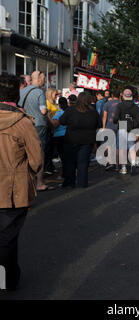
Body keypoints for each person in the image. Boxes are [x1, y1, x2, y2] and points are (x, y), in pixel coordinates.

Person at [0, 74, 43, 290]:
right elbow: (36, 160)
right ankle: (6, 280)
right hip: (13, 191)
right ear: (17, 94)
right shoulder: (23, 123)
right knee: (7, 238)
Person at [59, 92, 100, 188]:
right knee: (83, 162)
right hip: (87, 140)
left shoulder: (71, 110)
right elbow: (98, 125)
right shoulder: (93, 112)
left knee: (70, 162)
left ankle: (70, 182)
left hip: (71, 139)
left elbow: (62, 121)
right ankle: (82, 182)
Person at [18, 70, 50, 191]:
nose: (45, 81)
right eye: (44, 79)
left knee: (25, 153)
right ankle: (39, 183)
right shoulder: (39, 92)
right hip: (38, 124)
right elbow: (43, 110)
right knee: (39, 153)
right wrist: (47, 111)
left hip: (25, 124)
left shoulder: (22, 91)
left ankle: (27, 182)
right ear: (39, 79)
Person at [113, 88, 139, 175]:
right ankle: (133, 164)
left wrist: (116, 121)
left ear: (123, 96)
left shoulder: (120, 105)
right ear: (131, 96)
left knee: (122, 149)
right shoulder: (136, 107)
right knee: (132, 148)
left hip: (122, 128)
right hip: (132, 128)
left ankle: (124, 168)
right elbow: (138, 121)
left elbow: (115, 118)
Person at [102, 89, 121, 171]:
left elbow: (104, 117)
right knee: (117, 146)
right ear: (120, 95)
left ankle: (110, 162)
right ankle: (117, 165)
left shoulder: (107, 104)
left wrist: (103, 127)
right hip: (120, 126)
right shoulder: (122, 104)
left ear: (112, 95)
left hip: (109, 126)